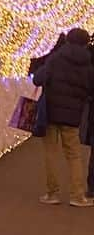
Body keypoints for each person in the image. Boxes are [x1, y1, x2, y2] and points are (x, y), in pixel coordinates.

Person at [35, 26, 94, 207]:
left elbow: (38, 78)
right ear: (85, 44)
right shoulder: (88, 65)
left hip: (51, 113)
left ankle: (53, 194)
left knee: (51, 153)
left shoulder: (55, 58)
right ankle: (77, 196)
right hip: (73, 116)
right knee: (74, 155)